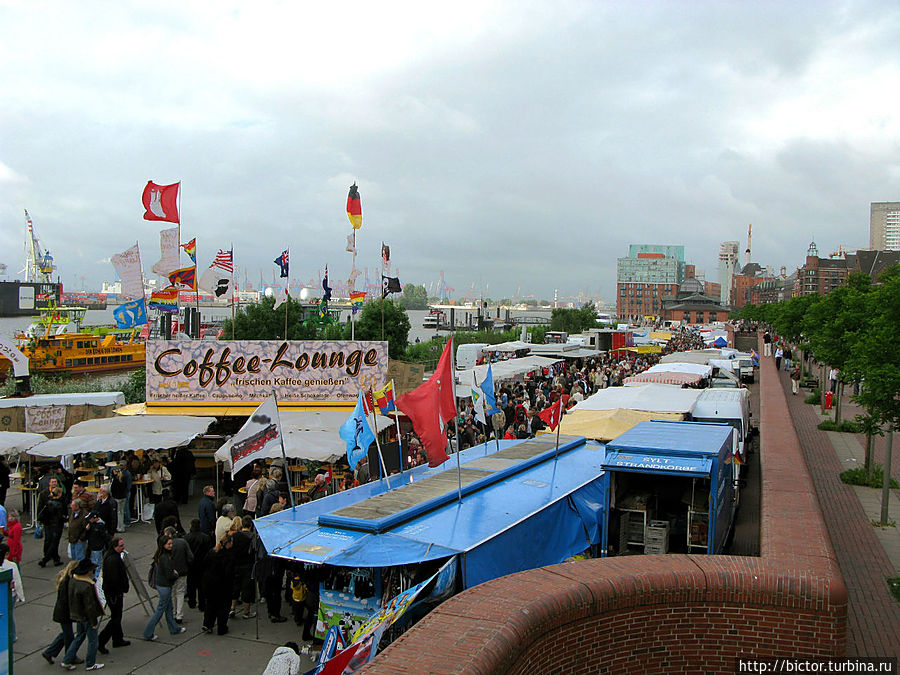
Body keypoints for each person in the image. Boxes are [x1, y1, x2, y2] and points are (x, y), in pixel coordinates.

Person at [60, 557, 104, 670]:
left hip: (77, 614)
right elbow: (89, 606)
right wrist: (93, 621)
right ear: (88, 571)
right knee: (93, 640)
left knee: (79, 637)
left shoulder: (73, 581)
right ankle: (90, 663)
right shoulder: (87, 586)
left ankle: (67, 659)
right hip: (86, 617)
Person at [143, 534, 188, 641]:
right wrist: (175, 574)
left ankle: (174, 628)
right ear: (163, 545)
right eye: (169, 544)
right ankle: (148, 633)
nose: (171, 545)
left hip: (163, 586)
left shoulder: (161, 556)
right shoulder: (165, 558)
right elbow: (169, 575)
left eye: (171, 543)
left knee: (169, 608)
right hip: (165, 587)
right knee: (160, 610)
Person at [41, 560, 83, 666]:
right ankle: (70, 656)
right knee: (68, 636)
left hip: (62, 613)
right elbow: (66, 600)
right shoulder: (68, 582)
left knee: (66, 634)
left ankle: (49, 652)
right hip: (64, 613)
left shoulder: (65, 579)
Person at [97, 536, 130, 654]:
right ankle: (101, 640)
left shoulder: (112, 557)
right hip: (114, 594)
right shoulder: (113, 560)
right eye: (120, 545)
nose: (123, 547)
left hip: (113, 593)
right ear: (115, 547)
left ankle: (118, 639)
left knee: (117, 616)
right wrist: (120, 590)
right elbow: (114, 579)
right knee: (115, 618)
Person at [202, 532, 235, 635]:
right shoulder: (228, 556)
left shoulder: (212, 552)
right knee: (223, 608)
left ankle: (208, 624)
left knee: (211, 605)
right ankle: (221, 627)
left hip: (210, 584)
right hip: (223, 586)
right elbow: (229, 573)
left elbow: (204, 565)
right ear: (228, 543)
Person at [163, 525, 193, 624]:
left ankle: (173, 613)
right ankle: (179, 615)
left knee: (172, 593)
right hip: (183, 571)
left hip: (171, 573)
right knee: (180, 593)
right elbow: (190, 557)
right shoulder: (183, 542)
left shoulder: (167, 545)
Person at [184, 518, 213, 611]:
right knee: (201, 586)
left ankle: (192, 602)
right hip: (202, 564)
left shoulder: (186, 538)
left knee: (191, 584)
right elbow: (209, 552)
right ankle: (202, 604)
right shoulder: (206, 537)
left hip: (191, 565)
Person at [0, 543, 24, 644]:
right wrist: (21, 596)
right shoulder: (11, 565)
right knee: (9, 615)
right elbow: (17, 582)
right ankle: (12, 636)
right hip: (10, 595)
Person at [37, 486, 66, 567]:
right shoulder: (59, 504)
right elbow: (60, 516)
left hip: (48, 524)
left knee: (49, 540)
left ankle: (55, 559)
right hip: (56, 525)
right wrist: (65, 519)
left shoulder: (48, 502)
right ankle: (45, 559)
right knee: (54, 543)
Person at [109, 462, 131, 530]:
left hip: (117, 497)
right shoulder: (123, 478)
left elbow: (112, 489)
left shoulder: (115, 480)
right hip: (123, 497)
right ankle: (122, 526)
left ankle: (119, 527)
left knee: (118, 513)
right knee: (121, 512)